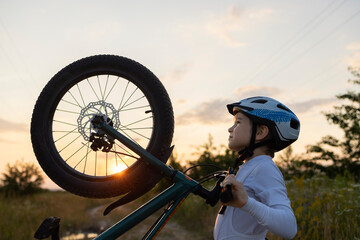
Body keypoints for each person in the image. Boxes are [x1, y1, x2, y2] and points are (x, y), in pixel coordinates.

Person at [213, 96, 299, 240]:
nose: (230, 129)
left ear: (260, 133)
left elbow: (289, 227)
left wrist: (247, 203)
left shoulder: (264, 168)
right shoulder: (250, 166)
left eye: (238, 122)